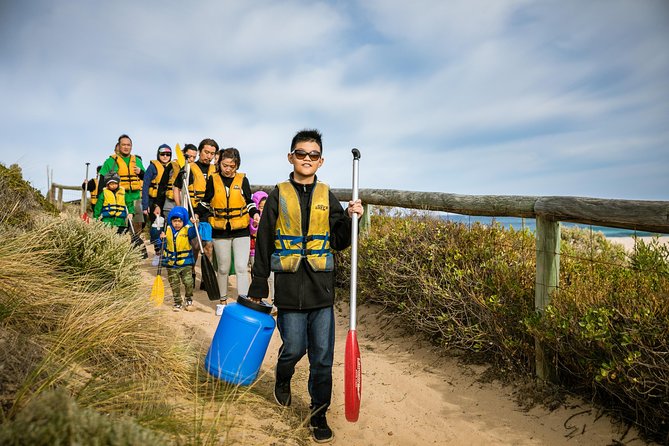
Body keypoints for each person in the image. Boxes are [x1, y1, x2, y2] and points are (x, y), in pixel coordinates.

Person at [248, 129, 364, 443]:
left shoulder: (327, 196)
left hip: (321, 290)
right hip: (287, 288)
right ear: (291, 157)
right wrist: (259, 283)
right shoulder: (278, 194)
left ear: (321, 160)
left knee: (322, 358)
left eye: (313, 155)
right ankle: (283, 377)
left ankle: (318, 415)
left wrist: (354, 219)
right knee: (294, 348)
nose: (307, 159)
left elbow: (340, 241)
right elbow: (264, 241)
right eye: (301, 154)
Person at [199, 148, 259, 303]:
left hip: (241, 230)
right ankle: (223, 301)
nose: (227, 169)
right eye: (224, 165)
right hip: (220, 231)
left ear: (237, 165)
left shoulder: (243, 180)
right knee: (223, 268)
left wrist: (255, 214)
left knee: (241, 267)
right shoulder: (213, 180)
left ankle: (244, 301)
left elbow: (249, 202)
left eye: (231, 166)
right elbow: (206, 202)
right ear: (219, 164)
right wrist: (197, 214)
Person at [173, 139, 217, 286]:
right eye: (206, 152)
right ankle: (191, 273)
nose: (209, 156)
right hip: (192, 211)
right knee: (194, 246)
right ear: (199, 151)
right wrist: (180, 208)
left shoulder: (215, 170)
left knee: (208, 246)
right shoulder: (189, 168)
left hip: (208, 213)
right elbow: (177, 187)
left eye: (212, 153)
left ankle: (206, 278)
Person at [99, 134, 146, 235]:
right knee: (120, 229)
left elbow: (146, 178)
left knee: (137, 228)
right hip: (119, 199)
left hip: (136, 198)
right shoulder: (110, 161)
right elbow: (102, 181)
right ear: (119, 146)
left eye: (128, 145)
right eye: (123, 145)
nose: (126, 147)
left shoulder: (137, 161)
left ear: (131, 146)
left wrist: (141, 172)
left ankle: (136, 248)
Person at [160, 206, 197, 312]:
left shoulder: (188, 230)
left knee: (188, 282)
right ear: (171, 221)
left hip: (185, 263)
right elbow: (161, 244)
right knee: (174, 284)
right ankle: (177, 302)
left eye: (179, 221)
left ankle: (188, 298)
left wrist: (194, 225)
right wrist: (160, 238)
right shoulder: (167, 230)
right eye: (174, 221)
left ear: (183, 221)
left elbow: (194, 234)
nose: (177, 223)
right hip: (171, 263)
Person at [142, 144, 172, 265]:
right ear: (158, 155)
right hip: (153, 201)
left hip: (167, 201)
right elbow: (145, 186)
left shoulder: (172, 167)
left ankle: (166, 253)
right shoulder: (152, 167)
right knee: (156, 228)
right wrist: (145, 205)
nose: (165, 156)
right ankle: (158, 252)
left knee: (167, 228)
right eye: (162, 154)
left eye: (168, 154)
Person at [155, 144, 197, 217]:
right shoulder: (172, 166)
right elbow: (162, 185)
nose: (192, 159)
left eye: (194, 157)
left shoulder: (194, 168)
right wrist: (158, 205)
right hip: (170, 204)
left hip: (187, 205)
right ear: (183, 153)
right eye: (189, 156)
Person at [249, 190, 274, 303]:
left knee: (272, 277)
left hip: (269, 251)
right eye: (260, 207)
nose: (262, 209)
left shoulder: (271, 219)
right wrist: (255, 225)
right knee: (257, 274)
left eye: (265, 207)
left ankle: (273, 300)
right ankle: (257, 298)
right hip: (254, 252)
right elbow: (251, 230)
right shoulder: (252, 218)